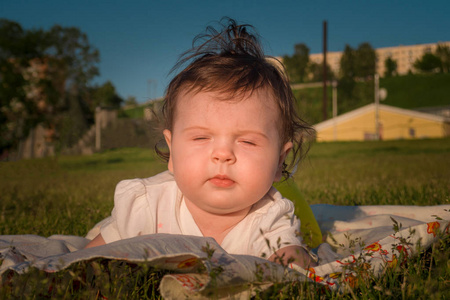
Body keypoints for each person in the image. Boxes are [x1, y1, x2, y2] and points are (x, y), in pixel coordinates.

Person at [85, 18, 317, 269]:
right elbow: (81, 262)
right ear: (172, 151)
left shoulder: (270, 217)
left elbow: (290, 262)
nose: (222, 154)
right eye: (201, 137)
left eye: (248, 141)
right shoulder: (147, 206)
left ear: (279, 161)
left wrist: (292, 259)